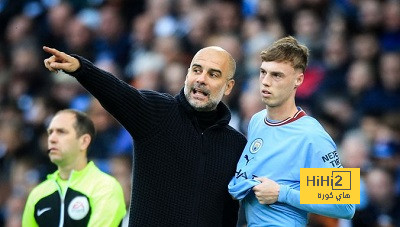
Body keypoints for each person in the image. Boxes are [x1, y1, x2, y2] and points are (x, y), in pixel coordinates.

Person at [42, 46, 247, 226]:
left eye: (213, 74)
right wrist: (81, 68)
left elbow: (233, 215)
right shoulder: (159, 114)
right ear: (187, 76)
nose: (201, 79)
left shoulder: (236, 145)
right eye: (196, 70)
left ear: (228, 86)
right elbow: (118, 94)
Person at [228, 36, 355, 226]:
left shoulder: (311, 135)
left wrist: (282, 193)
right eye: (263, 72)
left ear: (298, 79)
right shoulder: (256, 121)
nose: (265, 81)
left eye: (277, 75)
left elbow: (346, 206)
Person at [22, 109, 126, 227]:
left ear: (84, 141)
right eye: (50, 132)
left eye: (61, 132)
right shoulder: (37, 194)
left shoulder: (106, 187)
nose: (51, 139)